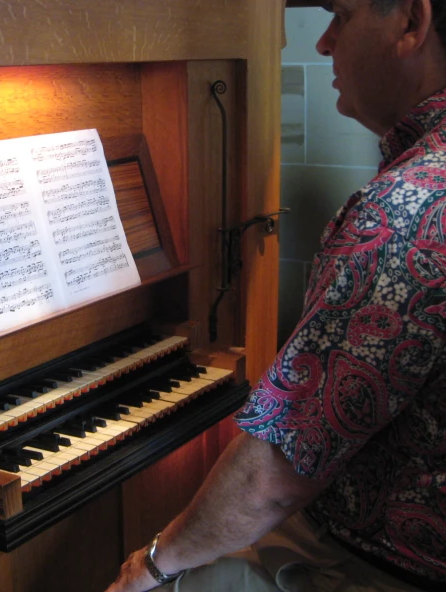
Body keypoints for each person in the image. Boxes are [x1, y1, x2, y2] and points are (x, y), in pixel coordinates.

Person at [104, 1, 446, 590]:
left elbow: (278, 473)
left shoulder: (406, 210)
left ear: (411, 23)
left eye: (342, 14)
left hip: (386, 560)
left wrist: (151, 564)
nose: (323, 41)